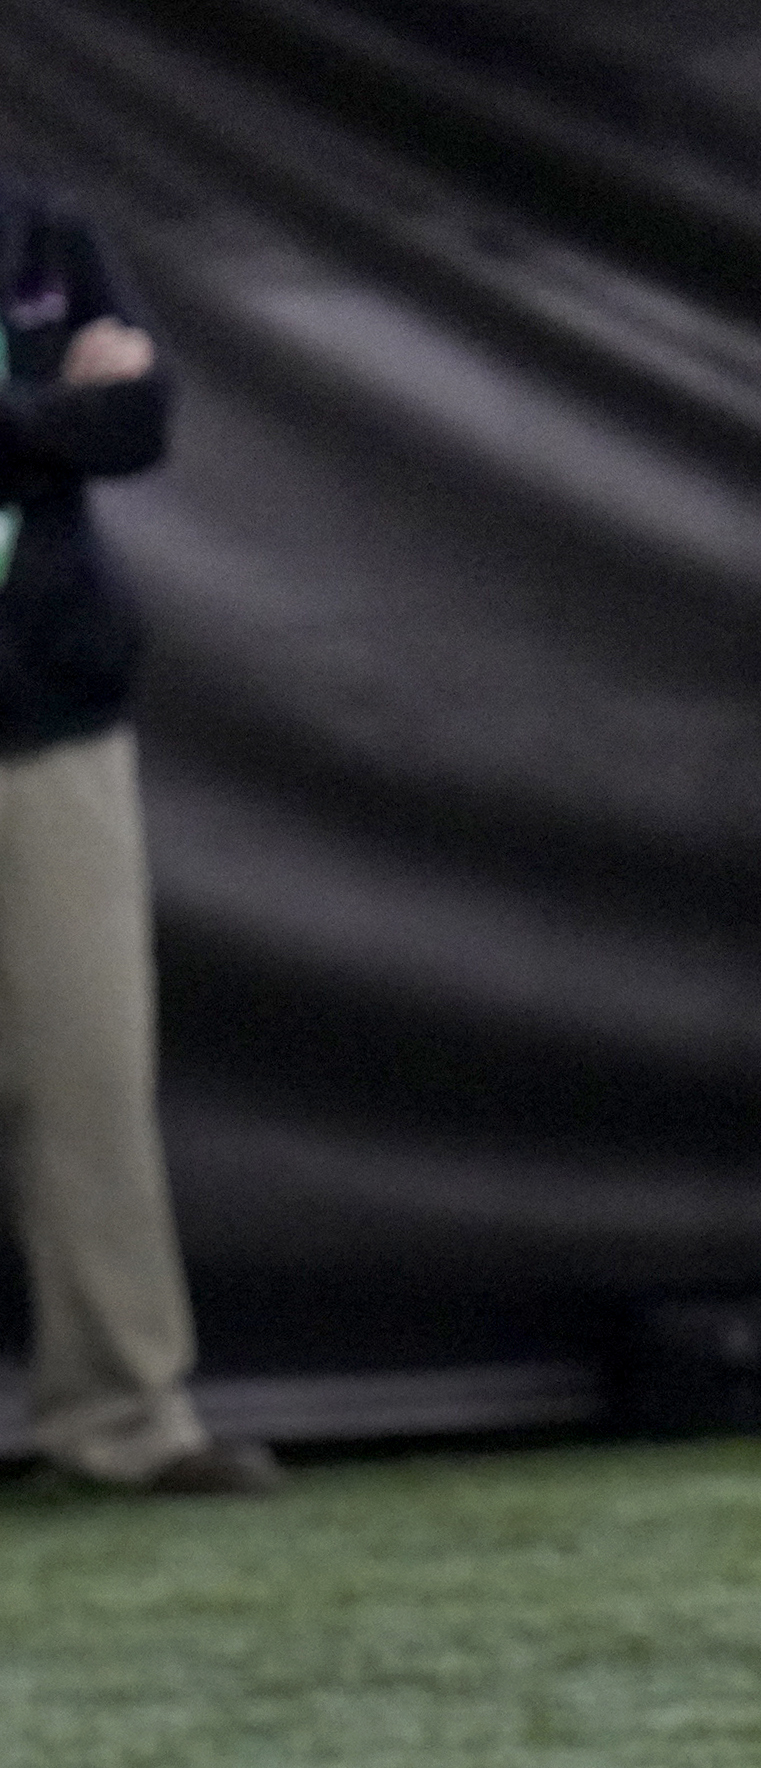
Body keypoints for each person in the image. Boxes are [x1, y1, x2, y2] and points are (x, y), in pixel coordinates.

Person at [0, 180, 273, 1495]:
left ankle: (120, 1421)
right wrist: (47, 415)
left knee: (86, 1070)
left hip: (47, 719)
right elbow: (81, 419)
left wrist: (54, 421)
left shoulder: (46, 238)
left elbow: (138, 419)